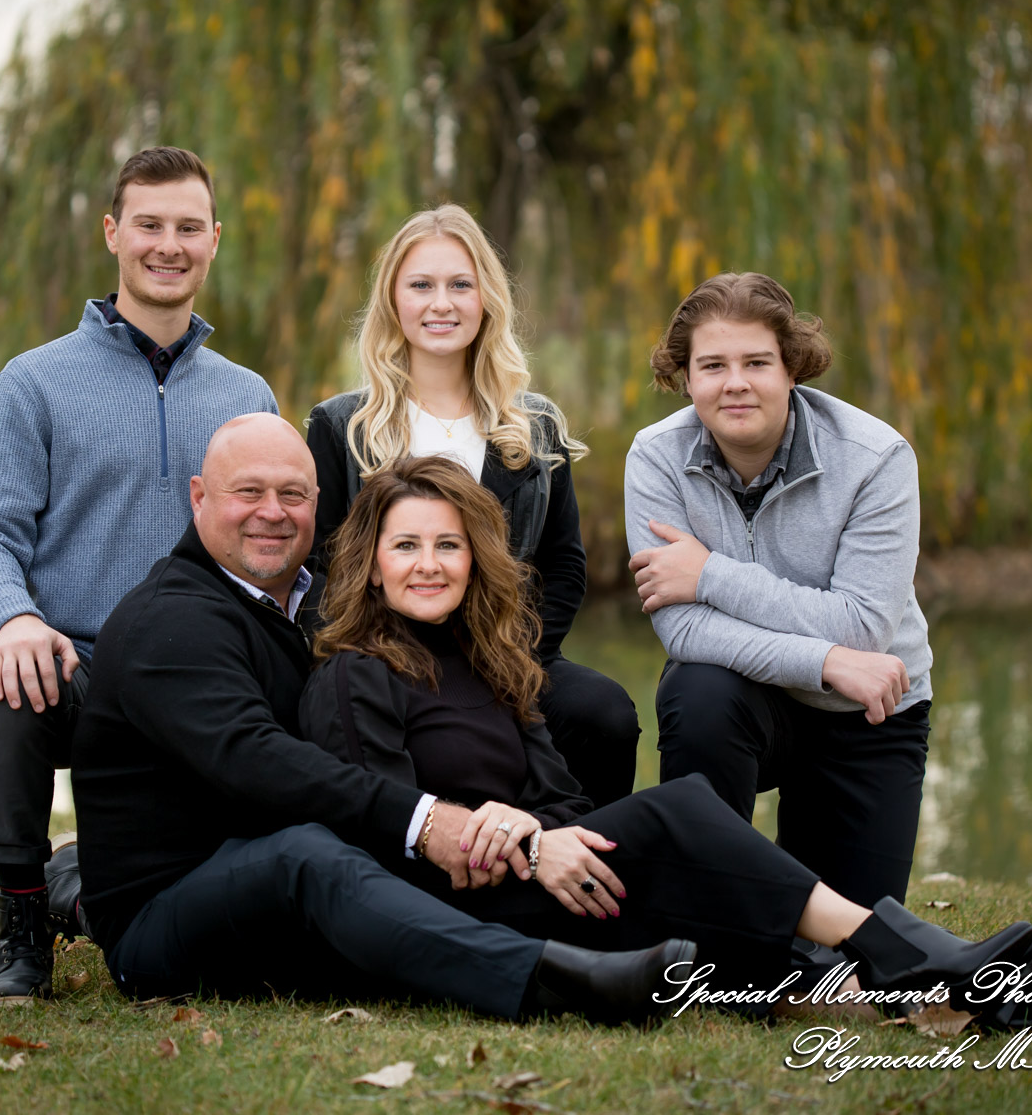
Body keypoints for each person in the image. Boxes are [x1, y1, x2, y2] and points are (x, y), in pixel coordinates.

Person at [297, 455, 1032, 1023]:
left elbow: (568, 802)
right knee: (677, 812)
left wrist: (543, 833)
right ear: (370, 565)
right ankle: (914, 955)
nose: (430, 565)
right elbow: (375, 834)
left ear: (475, 560)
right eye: (406, 547)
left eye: (448, 545)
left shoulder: (496, 669)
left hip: (542, 876)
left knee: (674, 848)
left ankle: (980, 982)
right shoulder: (352, 676)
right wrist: (506, 833)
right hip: (463, 914)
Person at [69, 413, 693, 1025]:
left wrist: (520, 825)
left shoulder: (305, 607)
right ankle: (557, 979)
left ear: (319, 502)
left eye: (293, 494)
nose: (272, 511)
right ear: (200, 498)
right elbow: (255, 761)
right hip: (167, 914)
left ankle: (724, 935)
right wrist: (427, 821)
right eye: (248, 493)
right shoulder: (169, 622)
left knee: (605, 751)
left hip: (290, 874)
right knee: (307, 855)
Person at [0, 147, 277, 1001]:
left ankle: (74, 887)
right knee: (13, 684)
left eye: (188, 228)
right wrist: (16, 619)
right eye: (150, 225)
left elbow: (276, 544)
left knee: (188, 919)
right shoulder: (35, 384)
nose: (169, 245)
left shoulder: (249, 397)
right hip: (78, 667)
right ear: (112, 234)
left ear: (214, 242)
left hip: (201, 673)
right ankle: (24, 921)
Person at [304, 204, 640, 809]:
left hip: (512, 656)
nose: (442, 303)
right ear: (393, 301)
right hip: (383, 658)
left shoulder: (535, 427)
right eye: (422, 285)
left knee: (605, 711)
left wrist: (506, 659)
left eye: (461, 284)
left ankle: (596, 872)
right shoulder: (342, 428)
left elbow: (564, 567)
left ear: (486, 298)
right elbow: (323, 569)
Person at [625, 272, 932, 910]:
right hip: (745, 704)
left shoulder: (877, 458)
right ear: (686, 379)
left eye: (756, 362)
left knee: (851, 948)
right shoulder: (655, 456)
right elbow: (683, 630)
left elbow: (863, 630)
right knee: (695, 688)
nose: (734, 382)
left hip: (866, 710)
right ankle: (710, 925)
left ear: (792, 368)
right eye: (712, 365)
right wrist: (826, 661)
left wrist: (708, 574)